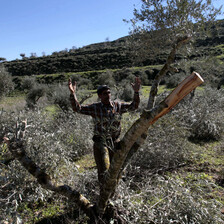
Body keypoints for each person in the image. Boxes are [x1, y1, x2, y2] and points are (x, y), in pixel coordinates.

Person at [68, 77, 141, 187]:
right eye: (104, 93)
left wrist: (136, 92)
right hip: (100, 143)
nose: (108, 95)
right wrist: (73, 93)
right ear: (99, 96)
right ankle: (104, 194)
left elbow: (134, 106)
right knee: (103, 170)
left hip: (115, 143)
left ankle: (116, 191)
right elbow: (78, 109)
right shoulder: (95, 108)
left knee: (116, 169)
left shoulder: (118, 106)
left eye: (109, 92)